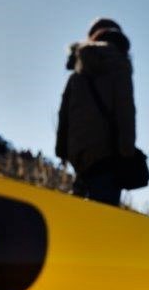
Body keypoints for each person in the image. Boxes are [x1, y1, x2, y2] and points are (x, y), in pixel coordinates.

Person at [55, 22, 136, 206]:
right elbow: (126, 112)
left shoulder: (77, 72)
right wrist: (127, 152)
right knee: (103, 215)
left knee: (78, 211)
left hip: (79, 155)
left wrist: (61, 150)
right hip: (108, 156)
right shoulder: (120, 67)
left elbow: (63, 115)